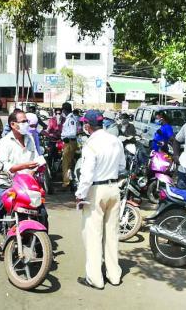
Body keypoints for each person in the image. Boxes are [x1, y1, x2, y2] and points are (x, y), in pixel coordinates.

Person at [0, 110, 40, 267]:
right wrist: (24, 166)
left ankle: (39, 246)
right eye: (23, 121)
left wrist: (32, 171)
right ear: (13, 124)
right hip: (8, 184)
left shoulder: (30, 138)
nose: (26, 124)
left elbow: (37, 159)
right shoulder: (4, 142)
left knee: (41, 211)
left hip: (26, 184)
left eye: (26, 121)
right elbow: (4, 166)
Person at [75, 110, 126, 290]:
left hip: (96, 191)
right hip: (113, 189)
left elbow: (86, 174)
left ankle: (95, 278)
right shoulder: (115, 140)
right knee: (112, 234)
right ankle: (114, 275)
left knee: (93, 234)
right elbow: (122, 166)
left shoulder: (91, 144)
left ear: (87, 125)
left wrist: (80, 195)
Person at [61, 102, 78, 188]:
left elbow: (73, 132)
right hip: (69, 142)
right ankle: (70, 181)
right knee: (69, 163)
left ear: (64, 110)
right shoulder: (69, 118)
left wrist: (65, 137)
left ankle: (66, 182)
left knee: (66, 163)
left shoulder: (71, 119)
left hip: (69, 142)